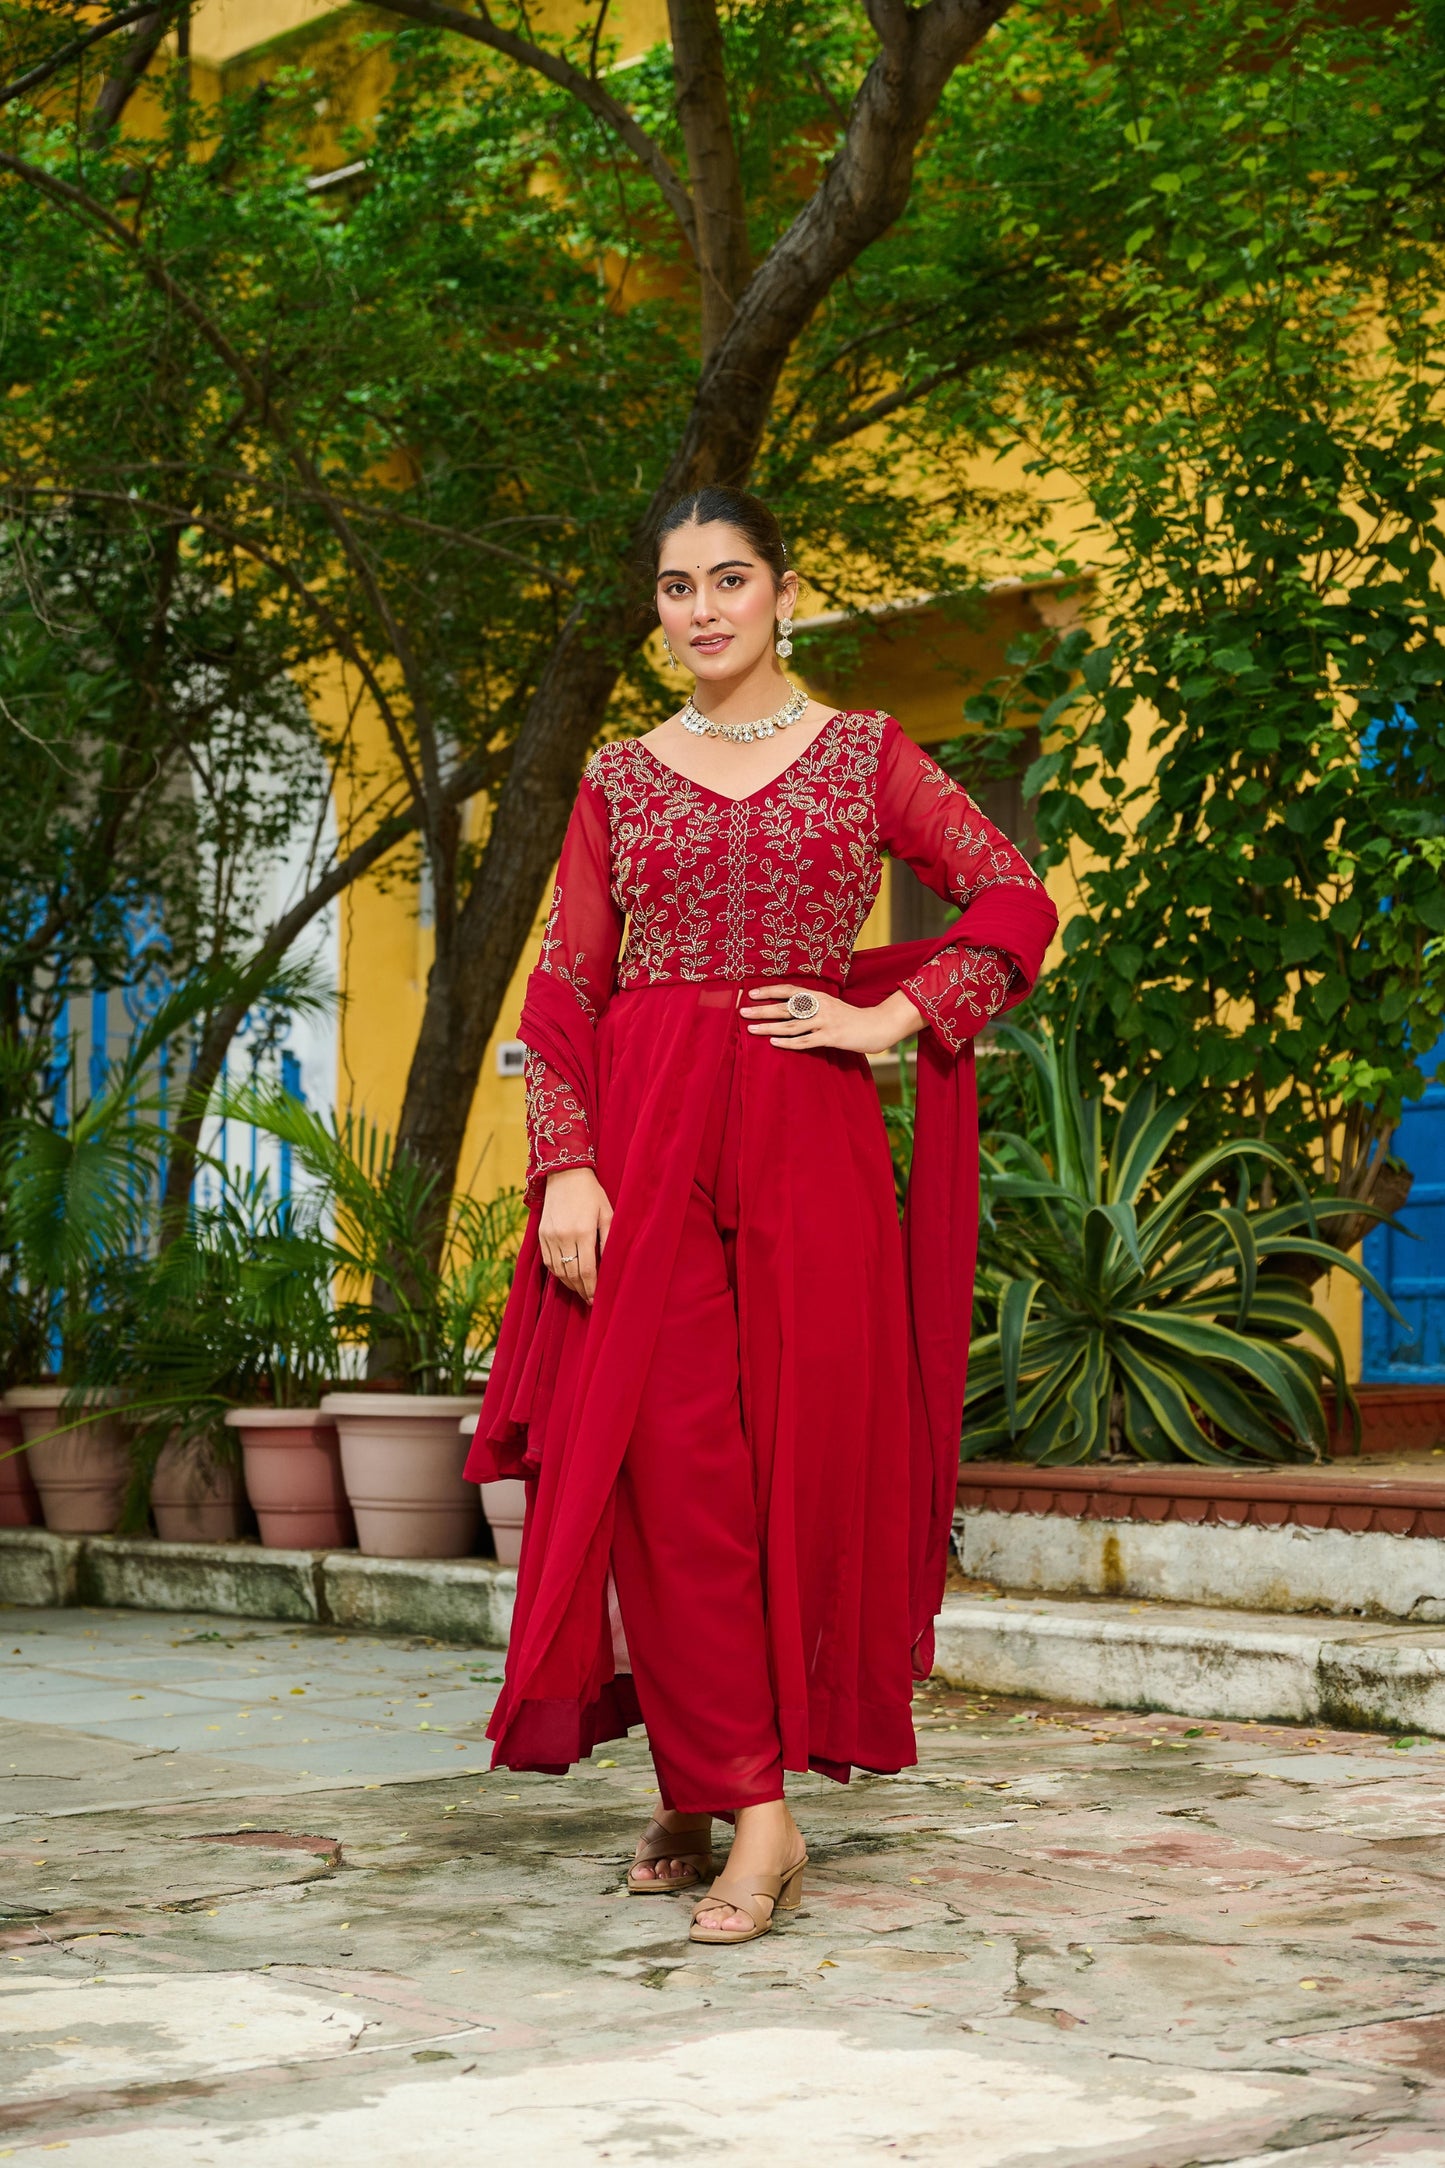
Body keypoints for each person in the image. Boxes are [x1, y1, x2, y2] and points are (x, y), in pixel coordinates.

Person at [466, 486, 1057, 1946]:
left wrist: (896, 1015)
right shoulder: (616, 777)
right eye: (676, 588)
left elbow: (1010, 898)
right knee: (665, 1470)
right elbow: (564, 986)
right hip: (649, 1143)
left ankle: (732, 1794)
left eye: (729, 580)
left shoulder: (863, 755)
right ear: (656, 612)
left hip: (808, 1139)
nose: (704, 609)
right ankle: (739, 1793)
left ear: (782, 593)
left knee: (794, 1462)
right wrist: (569, 1168)